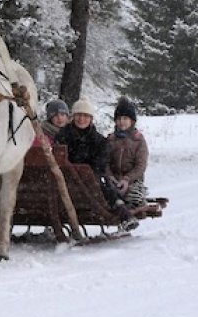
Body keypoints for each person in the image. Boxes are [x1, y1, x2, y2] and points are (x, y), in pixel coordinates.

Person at [57, 97, 138, 231]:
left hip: (89, 181)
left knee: (102, 182)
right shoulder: (62, 136)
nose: (81, 119)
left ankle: (123, 212)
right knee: (102, 182)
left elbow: (100, 164)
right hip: (68, 181)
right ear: (73, 117)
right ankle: (121, 210)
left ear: (91, 119)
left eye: (85, 116)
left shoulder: (99, 141)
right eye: (78, 115)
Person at [108, 97, 150, 208]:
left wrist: (127, 179)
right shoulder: (111, 139)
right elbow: (104, 161)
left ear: (132, 121)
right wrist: (110, 176)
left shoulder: (138, 140)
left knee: (132, 196)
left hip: (132, 180)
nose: (122, 122)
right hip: (113, 180)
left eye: (125, 118)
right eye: (119, 119)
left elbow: (140, 166)